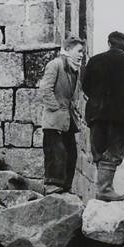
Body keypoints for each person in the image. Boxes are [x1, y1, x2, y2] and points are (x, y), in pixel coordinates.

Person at [81, 30, 124, 201]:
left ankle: (103, 189)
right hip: (122, 117)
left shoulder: (95, 60)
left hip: (97, 114)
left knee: (99, 150)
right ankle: (105, 189)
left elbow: (85, 85)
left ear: (109, 43)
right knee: (113, 152)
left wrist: (96, 101)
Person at [39, 36, 85, 194]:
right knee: (56, 152)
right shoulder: (55, 64)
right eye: (79, 51)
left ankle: (65, 186)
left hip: (67, 121)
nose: (81, 55)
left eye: (83, 52)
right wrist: (56, 109)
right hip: (54, 120)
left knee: (71, 154)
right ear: (68, 49)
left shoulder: (74, 71)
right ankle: (52, 186)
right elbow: (45, 89)